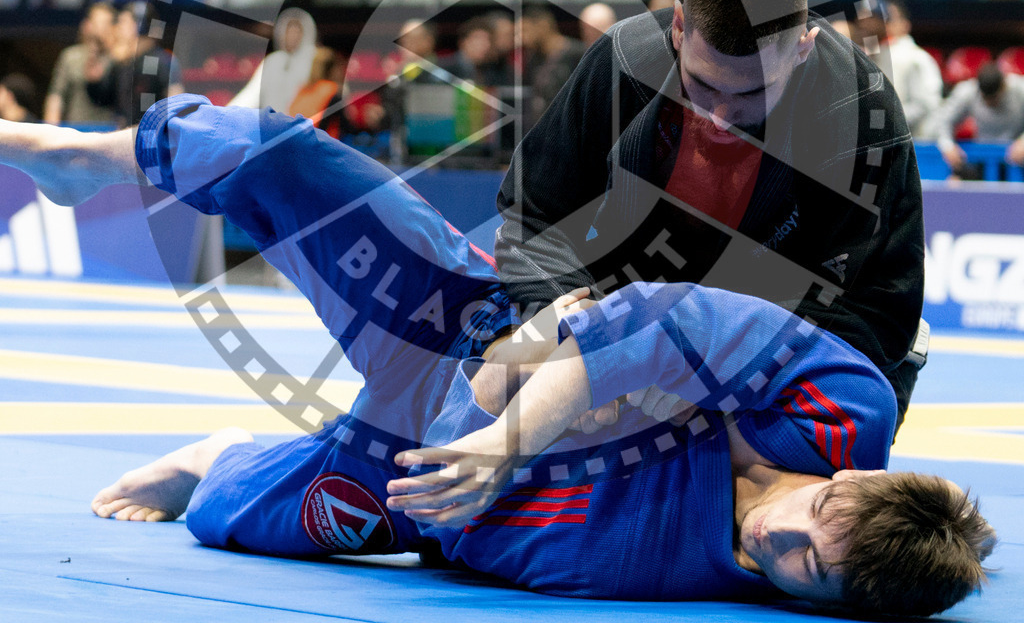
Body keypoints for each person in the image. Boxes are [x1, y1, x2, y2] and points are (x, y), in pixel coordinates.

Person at [0, 97, 993, 614]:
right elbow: (667, 323)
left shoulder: (678, 567)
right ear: (852, 478)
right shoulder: (840, 408)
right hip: (466, 325)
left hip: (410, 474)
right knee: (287, 160)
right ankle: (82, 158)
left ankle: (213, 453)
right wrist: (534, 405)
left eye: (805, 575)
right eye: (815, 515)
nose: (780, 540)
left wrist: (481, 463)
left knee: (226, 516)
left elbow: (498, 542)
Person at [495, 0, 927, 426]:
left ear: (802, 48)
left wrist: (728, 370)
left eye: (751, 92)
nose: (720, 117)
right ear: (679, 28)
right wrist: (579, 333)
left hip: (777, 347)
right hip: (633, 321)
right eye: (701, 83)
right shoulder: (626, 63)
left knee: (780, 494)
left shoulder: (856, 113)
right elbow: (532, 215)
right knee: (506, 383)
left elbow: (878, 310)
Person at [86, 4, 184, 127]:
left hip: (152, 135)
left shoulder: (162, 61)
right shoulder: (121, 63)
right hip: (125, 135)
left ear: (139, 26)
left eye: (124, 23)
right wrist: (94, 82)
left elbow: (176, 102)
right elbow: (103, 100)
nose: (118, 28)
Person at [934, 63, 1024, 176]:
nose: (989, 103)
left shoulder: (1020, 88)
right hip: (982, 157)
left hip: (1018, 158)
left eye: (994, 98)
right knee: (954, 179)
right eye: (985, 98)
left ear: (1003, 86)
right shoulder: (967, 91)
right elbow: (943, 120)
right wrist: (948, 146)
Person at [873, 0, 942, 141]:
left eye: (889, 19)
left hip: (916, 142)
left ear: (904, 25)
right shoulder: (877, 55)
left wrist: (888, 120)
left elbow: (927, 106)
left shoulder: (917, 58)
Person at [43, 2, 117, 126]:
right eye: (96, 23)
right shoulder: (70, 57)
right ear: (86, 25)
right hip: (76, 129)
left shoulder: (118, 59)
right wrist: (50, 129)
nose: (100, 29)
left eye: (105, 24)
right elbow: (56, 95)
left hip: (108, 130)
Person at [231, 7, 318, 111]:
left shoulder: (314, 61)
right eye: (289, 32)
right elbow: (252, 94)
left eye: (297, 32)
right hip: (273, 122)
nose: (293, 37)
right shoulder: (272, 61)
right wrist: (229, 112)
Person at [519, 6, 586, 131]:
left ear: (543, 26)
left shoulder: (578, 53)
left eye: (525, 30)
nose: (521, 38)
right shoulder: (533, 59)